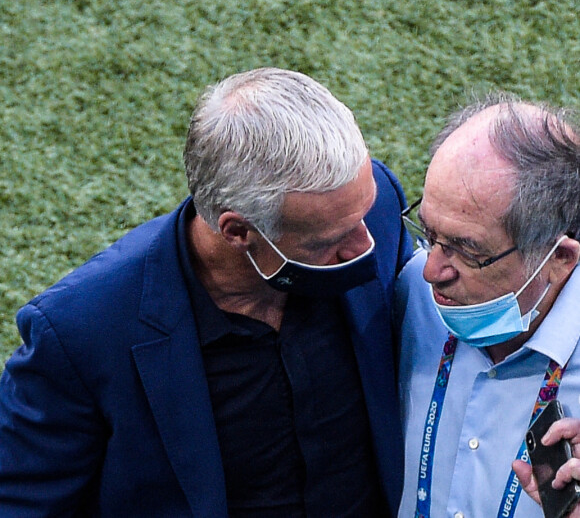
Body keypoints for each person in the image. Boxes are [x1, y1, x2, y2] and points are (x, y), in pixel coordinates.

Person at [0, 67, 412, 517]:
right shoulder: (80, 333)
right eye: (326, 242)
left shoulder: (373, 211)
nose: (363, 246)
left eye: (364, 215)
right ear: (237, 231)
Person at [395, 93, 580, 518]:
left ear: (558, 259)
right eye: (429, 234)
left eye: (467, 251)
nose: (431, 272)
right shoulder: (410, 299)